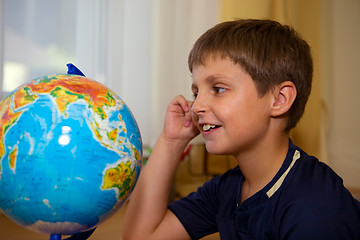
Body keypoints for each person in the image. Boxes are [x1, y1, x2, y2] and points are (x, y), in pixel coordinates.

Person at [123, 19, 360, 239]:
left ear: (278, 100)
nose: (197, 106)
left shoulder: (314, 206)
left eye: (218, 88)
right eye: (196, 93)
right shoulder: (228, 188)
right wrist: (171, 141)